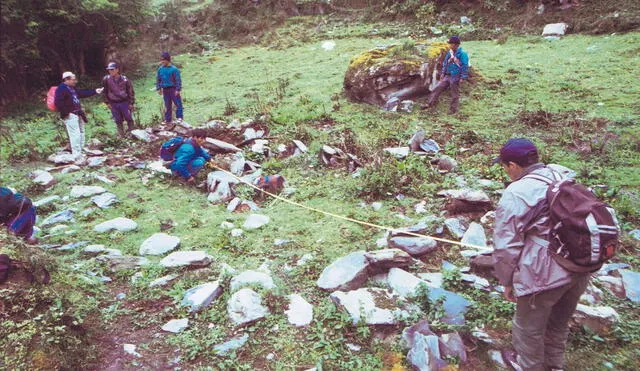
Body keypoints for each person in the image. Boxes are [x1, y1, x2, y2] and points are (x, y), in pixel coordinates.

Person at [492, 138, 590, 371]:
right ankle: (555, 366)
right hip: (579, 265)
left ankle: (529, 367)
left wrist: (506, 281)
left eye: (505, 166)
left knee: (528, 329)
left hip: (545, 273)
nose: (506, 171)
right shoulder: (561, 175)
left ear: (513, 165)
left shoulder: (517, 192)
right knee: (557, 323)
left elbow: (506, 244)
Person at [54, 71, 103, 164]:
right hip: (70, 115)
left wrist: (95, 91)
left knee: (81, 132)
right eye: (73, 79)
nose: (75, 81)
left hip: (78, 113)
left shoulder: (72, 88)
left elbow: (81, 93)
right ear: (66, 79)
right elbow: (58, 103)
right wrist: (67, 112)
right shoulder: (61, 89)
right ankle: (76, 155)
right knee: (75, 135)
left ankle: (80, 151)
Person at [424, 35, 469, 114]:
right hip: (447, 75)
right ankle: (429, 103)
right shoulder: (450, 53)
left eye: (451, 44)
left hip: (456, 76)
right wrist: (443, 73)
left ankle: (453, 109)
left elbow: (465, 66)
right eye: (450, 44)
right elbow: (445, 63)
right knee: (438, 88)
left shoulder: (463, 54)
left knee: (454, 93)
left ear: (456, 45)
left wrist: (463, 77)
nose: (450, 45)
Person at [102, 62, 136, 137]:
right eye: (109, 70)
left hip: (124, 102)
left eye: (112, 69)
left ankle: (133, 134)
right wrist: (107, 103)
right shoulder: (106, 79)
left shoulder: (125, 79)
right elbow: (105, 92)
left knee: (129, 118)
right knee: (118, 120)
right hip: (113, 103)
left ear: (117, 70)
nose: (110, 71)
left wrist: (131, 103)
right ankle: (122, 136)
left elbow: (130, 91)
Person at [156, 52, 183, 125]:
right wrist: (158, 88)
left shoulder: (174, 69)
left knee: (178, 103)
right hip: (165, 89)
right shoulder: (160, 69)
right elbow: (158, 79)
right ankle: (168, 119)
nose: (162, 61)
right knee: (167, 105)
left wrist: (178, 89)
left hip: (173, 89)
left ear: (168, 60)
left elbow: (178, 80)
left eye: (163, 60)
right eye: (161, 60)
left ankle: (179, 117)